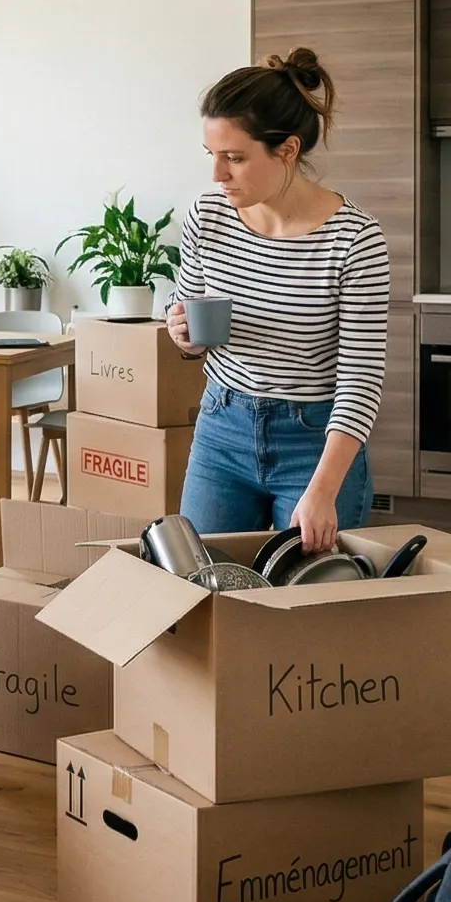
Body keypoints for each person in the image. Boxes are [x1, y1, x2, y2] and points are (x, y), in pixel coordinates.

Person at [165, 48, 389, 553]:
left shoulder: (354, 240)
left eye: (235, 158)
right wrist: (183, 334)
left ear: (287, 150)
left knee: (306, 593)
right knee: (202, 581)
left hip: (314, 442)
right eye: (211, 155)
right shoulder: (208, 215)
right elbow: (186, 309)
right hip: (222, 427)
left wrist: (322, 491)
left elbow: (360, 380)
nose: (217, 175)